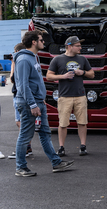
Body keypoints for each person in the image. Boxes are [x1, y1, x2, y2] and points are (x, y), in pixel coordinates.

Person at [14, 30, 74, 176]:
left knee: (45, 133)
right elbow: (23, 86)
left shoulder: (33, 58)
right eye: (41, 40)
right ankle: (20, 167)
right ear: (34, 42)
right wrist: (33, 104)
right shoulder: (23, 60)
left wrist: (40, 101)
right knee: (25, 136)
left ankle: (56, 163)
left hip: (38, 102)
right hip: (30, 104)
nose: (43, 42)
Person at [46, 36, 95, 157]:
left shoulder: (82, 59)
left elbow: (92, 74)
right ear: (69, 46)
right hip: (64, 96)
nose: (80, 48)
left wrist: (82, 72)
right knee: (63, 123)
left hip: (80, 96)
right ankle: (61, 147)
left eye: (80, 45)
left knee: (82, 122)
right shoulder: (57, 59)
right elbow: (48, 76)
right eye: (77, 45)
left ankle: (83, 146)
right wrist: (63, 76)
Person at [8, 43, 32, 160]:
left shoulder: (19, 61)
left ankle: (25, 148)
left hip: (20, 96)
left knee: (20, 122)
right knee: (24, 122)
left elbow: (13, 79)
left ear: (17, 51)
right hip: (23, 96)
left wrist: (12, 64)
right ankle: (28, 147)